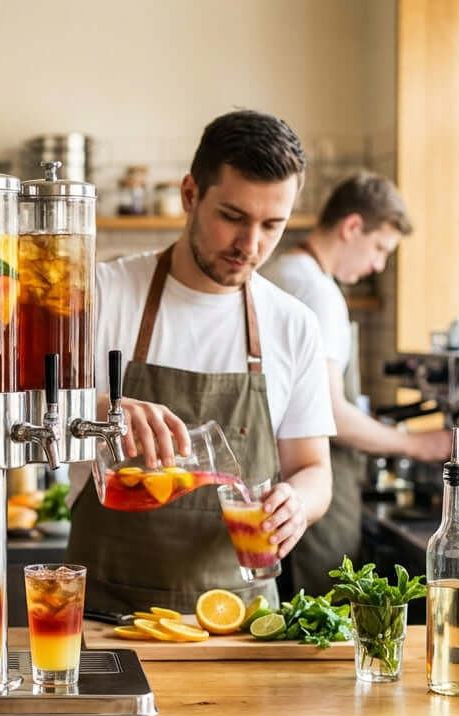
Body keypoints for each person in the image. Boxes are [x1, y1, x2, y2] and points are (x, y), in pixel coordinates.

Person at [66, 110, 335, 613]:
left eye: (272, 225)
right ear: (190, 195)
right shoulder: (102, 295)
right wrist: (98, 406)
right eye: (233, 217)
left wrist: (298, 503)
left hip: (241, 621)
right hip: (107, 619)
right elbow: (25, 415)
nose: (250, 245)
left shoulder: (293, 324)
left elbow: (313, 468)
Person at [262, 172, 452, 596]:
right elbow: (329, 410)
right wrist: (416, 444)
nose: (378, 265)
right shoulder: (318, 292)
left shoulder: (278, 270)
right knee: (322, 620)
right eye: (380, 248)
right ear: (351, 228)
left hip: (276, 479)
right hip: (315, 485)